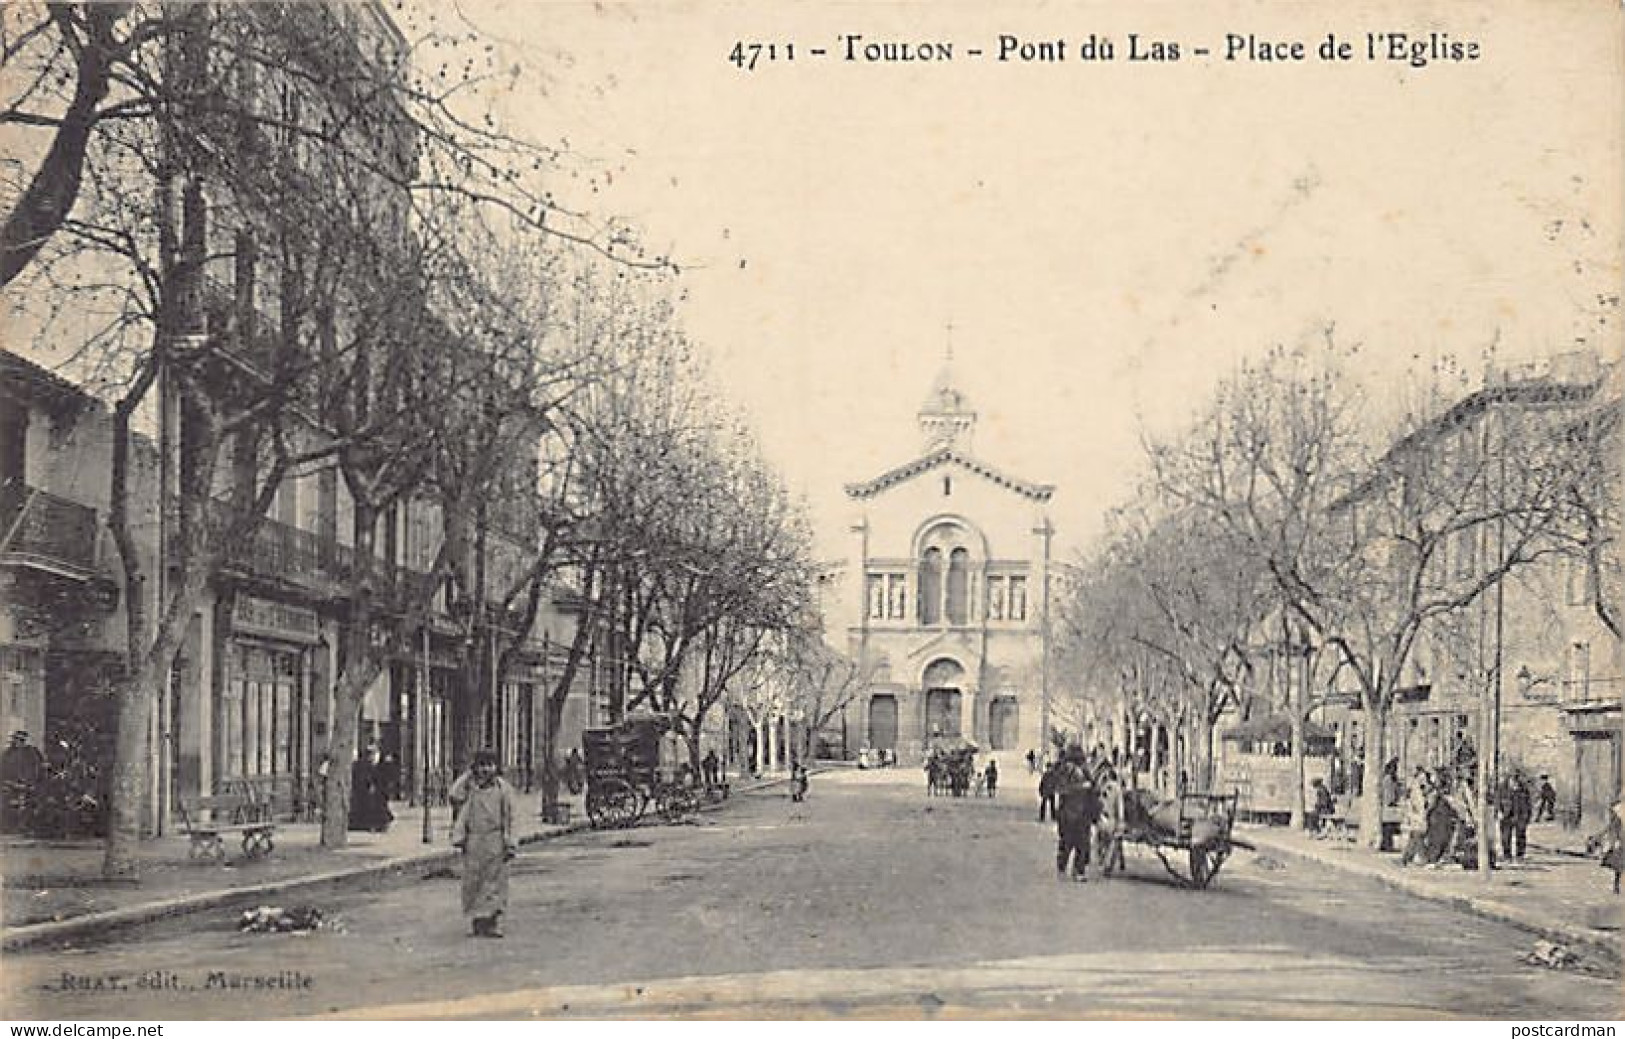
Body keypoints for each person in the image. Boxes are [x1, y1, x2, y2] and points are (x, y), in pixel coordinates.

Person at [451, 750, 517, 938]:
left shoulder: (503, 789)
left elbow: (510, 817)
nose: (485, 770)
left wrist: (510, 842)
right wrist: (467, 776)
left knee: (494, 883)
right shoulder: (470, 788)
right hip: (474, 840)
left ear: (496, 767)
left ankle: (493, 922)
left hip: (495, 840)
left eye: (489, 765)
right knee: (473, 882)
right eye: (481, 765)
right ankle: (477, 922)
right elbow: (454, 794)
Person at [1053, 747, 1101, 882]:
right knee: (1068, 842)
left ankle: (1078, 870)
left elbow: (1095, 789)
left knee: (1082, 844)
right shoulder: (1065, 771)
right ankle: (1063, 866)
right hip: (1069, 814)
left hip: (1082, 814)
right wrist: (1082, 787)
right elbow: (1061, 789)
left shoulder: (1085, 771)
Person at [1, 731, 45, 835]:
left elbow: (38, 768)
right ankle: (10, 826)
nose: (18, 742)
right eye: (16, 739)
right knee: (9, 804)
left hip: (29, 784)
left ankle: (25, 826)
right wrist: (7, 782)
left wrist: (32, 783)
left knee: (29, 805)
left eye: (21, 740)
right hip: (10, 784)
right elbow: (3, 768)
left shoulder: (32, 752)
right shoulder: (8, 753)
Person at [349, 744, 393, 832]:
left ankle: (379, 824)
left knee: (378, 807)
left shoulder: (379, 764)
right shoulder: (363, 765)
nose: (372, 756)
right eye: (370, 754)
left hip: (378, 791)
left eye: (373, 754)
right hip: (367, 791)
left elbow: (384, 776)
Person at [1400, 767, 1433, 867]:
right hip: (1417, 816)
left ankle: (1408, 857)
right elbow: (1415, 804)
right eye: (1421, 778)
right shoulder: (1415, 790)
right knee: (1418, 835)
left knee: (1416, 836)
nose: (1424, 780)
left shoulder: (1419, 789)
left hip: (1418, 816)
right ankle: (1421, 857)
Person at [1497, 771, 1533, 860]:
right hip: (1506, 815)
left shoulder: (1523, 788)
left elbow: (1528, 802)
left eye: (1516, 779)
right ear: (1509, 779)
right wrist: (1498, 811)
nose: (1515, 782)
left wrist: (1528, 815)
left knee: (1521, 835)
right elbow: (1497, 801)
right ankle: (1507, 855)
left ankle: (1520, 855)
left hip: (1520, 814)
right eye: (1513, 779)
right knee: (1505, 836)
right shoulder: (1502, 787)